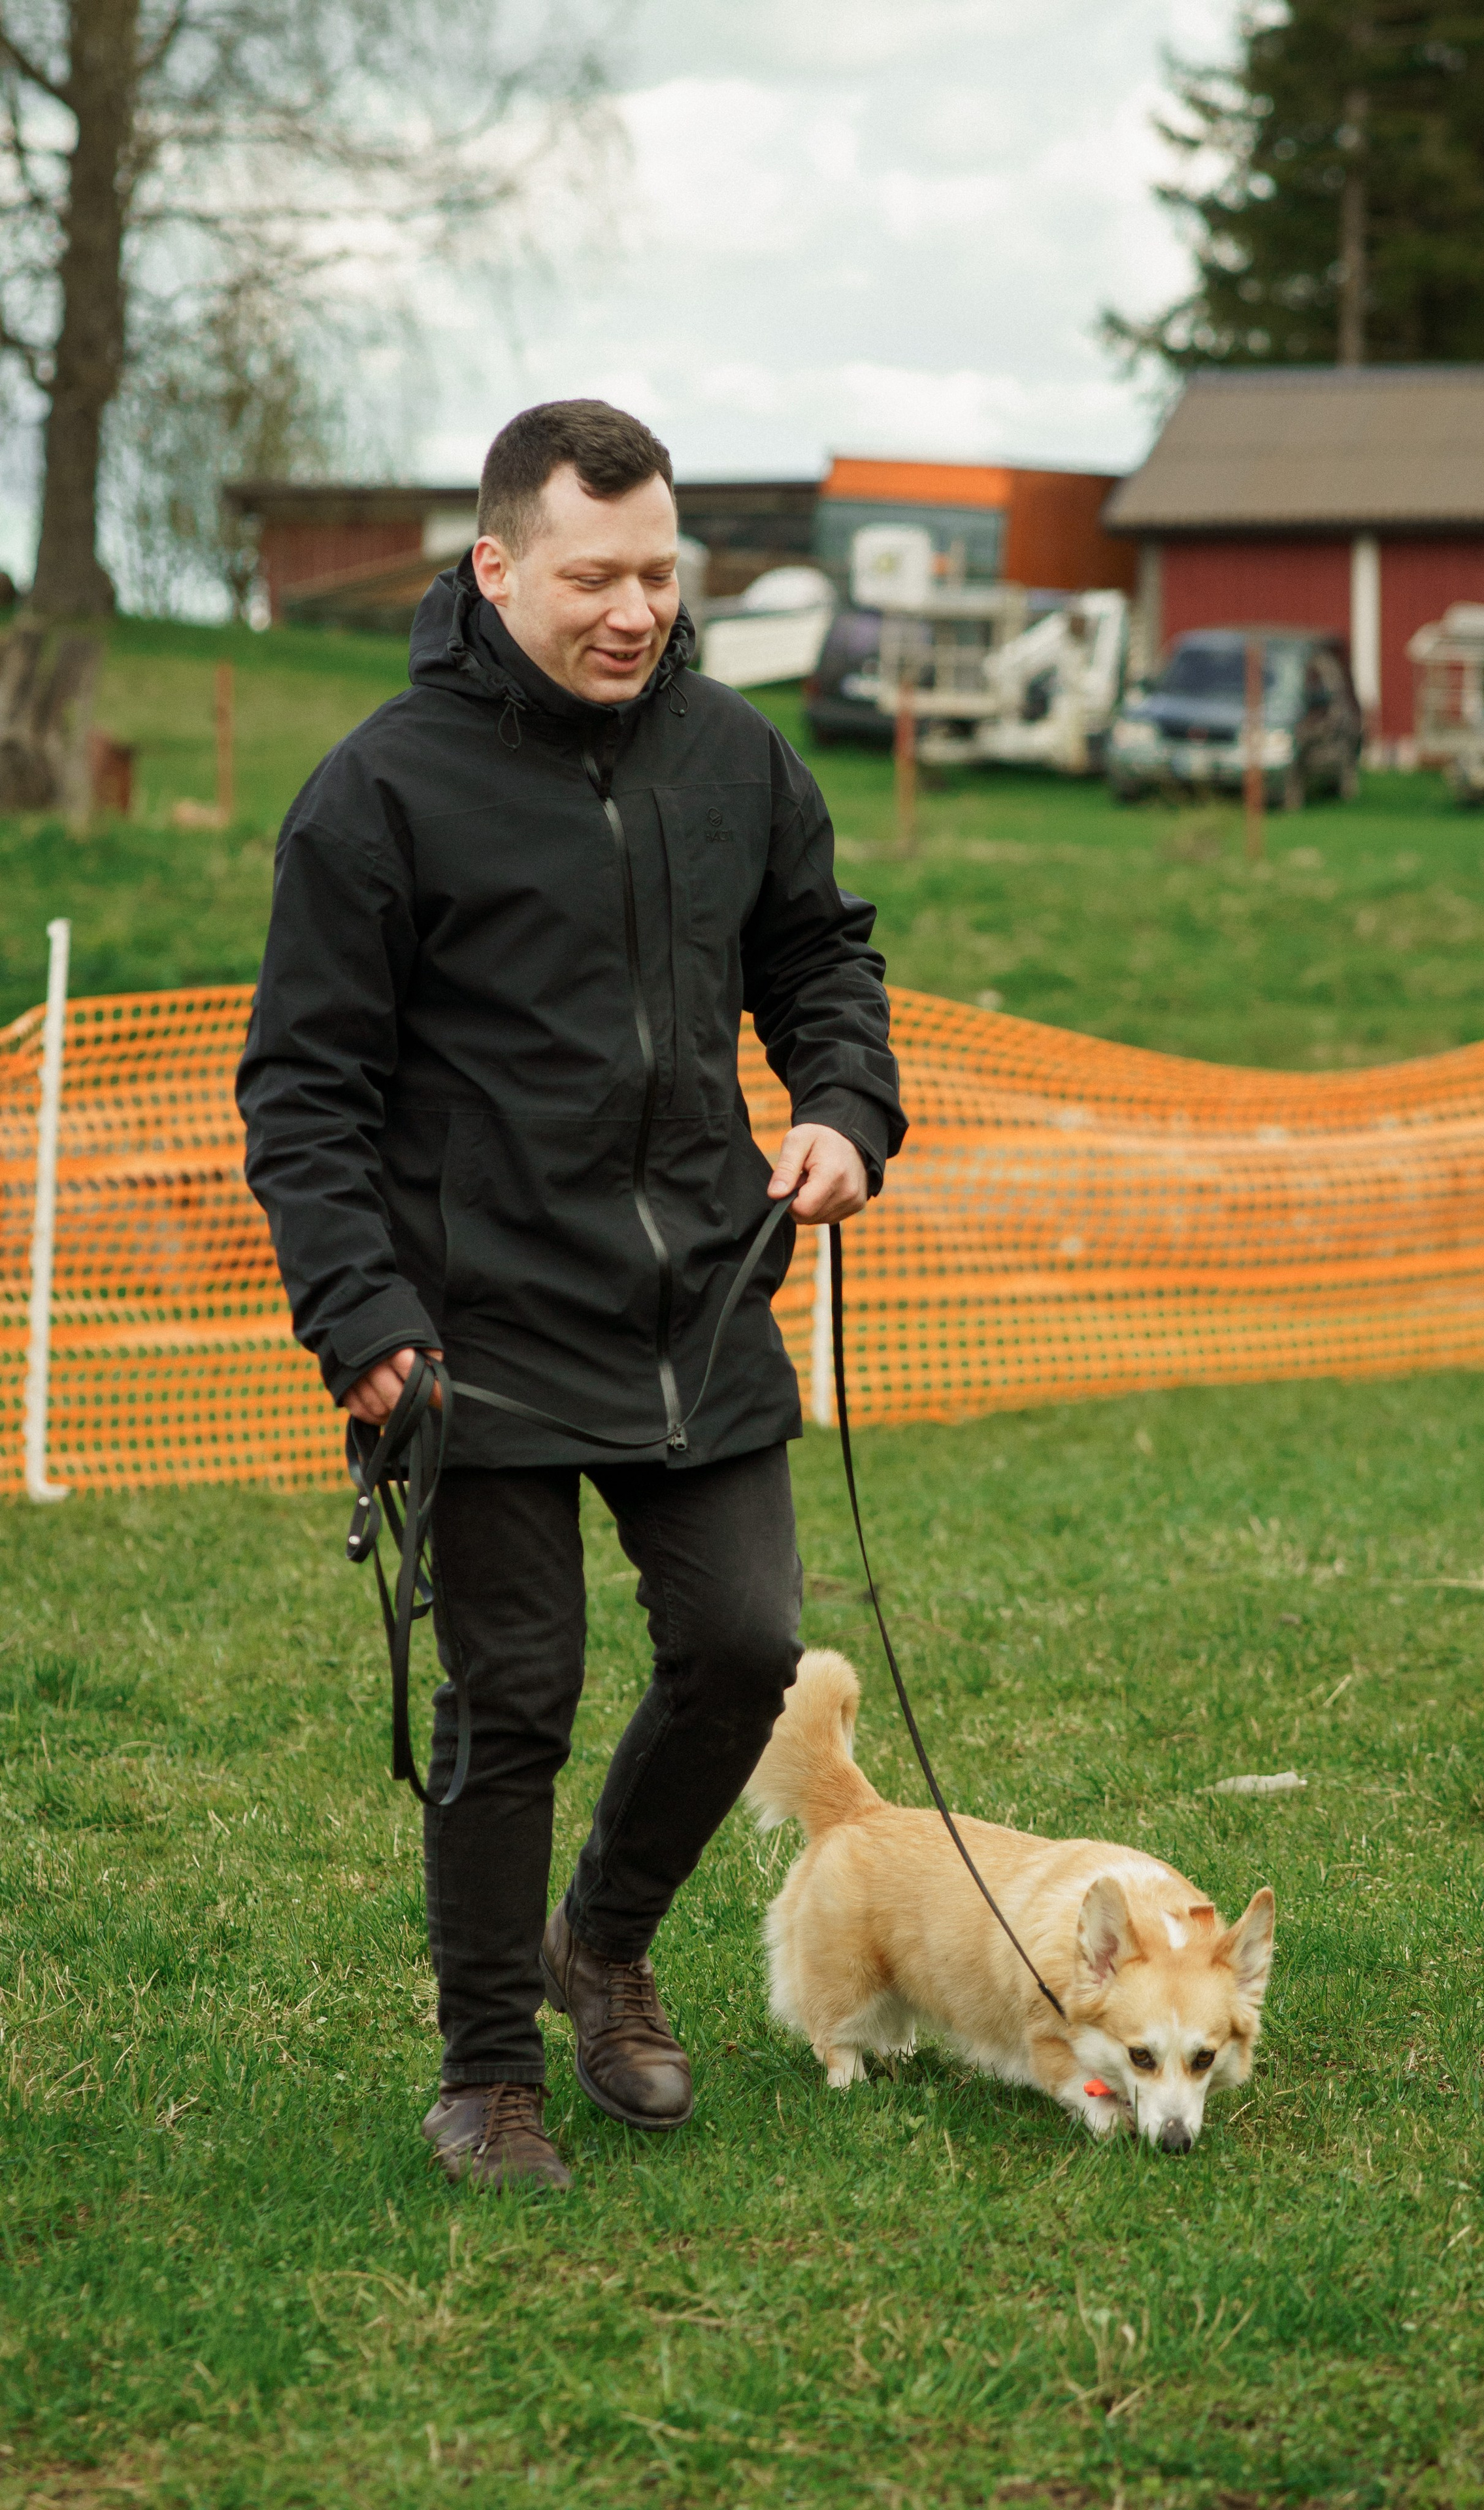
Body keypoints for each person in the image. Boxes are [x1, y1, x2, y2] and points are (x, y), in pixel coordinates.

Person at [237, 399, 905, 2192]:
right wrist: (358, 1313)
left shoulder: (736, 759)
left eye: (661, 576)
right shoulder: (379, 792)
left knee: (748, 1647)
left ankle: (600, 1943)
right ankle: (485, 2078)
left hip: (700, 1295)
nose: (634, 611)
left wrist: (844, 1110)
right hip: (469, 1331)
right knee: (511, 1698)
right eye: (593, 576)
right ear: (496, 567)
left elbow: (822, 956)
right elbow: (304, 1090)